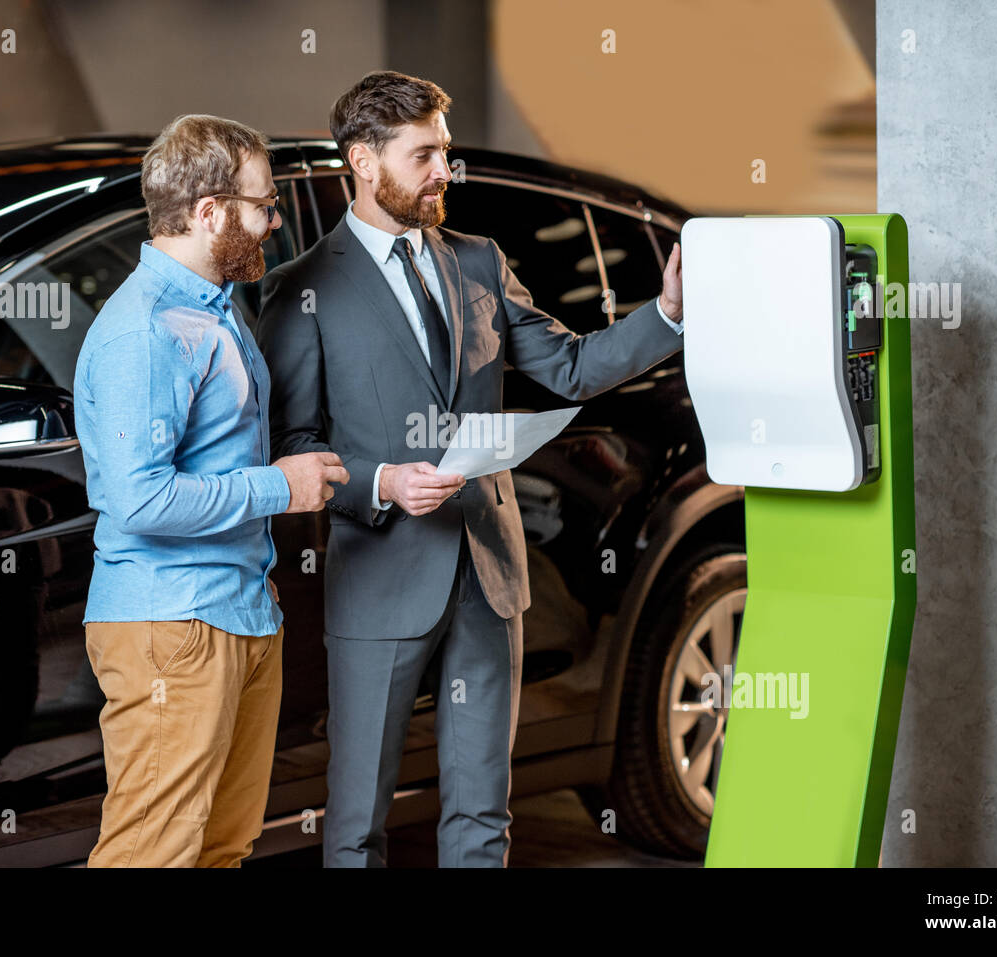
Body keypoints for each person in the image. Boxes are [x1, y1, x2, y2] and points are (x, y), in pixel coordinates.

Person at [257, 72, 684, 867]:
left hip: (490, 575)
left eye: (445, 153)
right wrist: (384, 481)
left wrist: (665, 317)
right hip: (381, 576)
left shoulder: (481, 262)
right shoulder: (302, 290)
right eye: (424, 156)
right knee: (355, 826)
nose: (443, 173)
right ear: (362, 159)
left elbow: (570, 366)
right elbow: (293, 448)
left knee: (484, 815)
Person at [74, 114, 347, 867]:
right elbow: (139, 499)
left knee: (222, 847)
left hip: (237, 613)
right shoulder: (148, 330)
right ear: (209, 212)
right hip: (173, 626)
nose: (273, 220)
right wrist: (278, 486)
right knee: (152, 854)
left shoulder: (214, 312)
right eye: (262, 206)